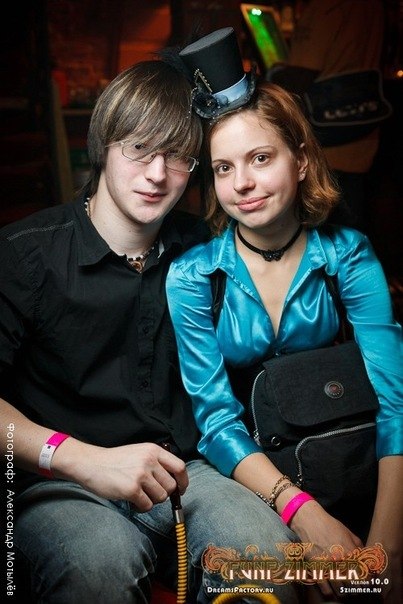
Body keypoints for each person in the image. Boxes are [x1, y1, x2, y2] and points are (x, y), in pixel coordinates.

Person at [0, 59, 301, 604]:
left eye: (178, 156)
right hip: (62, 481)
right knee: (99, 563)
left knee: (267, 556)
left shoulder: (205, 248)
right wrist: (81, 459)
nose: (157, 174)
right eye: (138, 148)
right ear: (104, 145)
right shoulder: (26, 254)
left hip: (186, 473)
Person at [166, 28, 403, 603]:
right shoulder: (193, 277)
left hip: (352, 471)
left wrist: (386, 550)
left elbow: (395, 402)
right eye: (223, 168)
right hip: (253, 485)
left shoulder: (348, 256)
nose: (242, 184)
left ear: (300, 160)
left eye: (260, 158)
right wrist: (304, 515)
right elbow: (215, 421)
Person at [266, 0, 388, 232]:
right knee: (353, 233)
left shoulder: (324, 7)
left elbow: (299, 76)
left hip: (327, 145)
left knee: (325, 236)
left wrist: (266, 81)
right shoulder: (374, 6)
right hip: (364, 136)